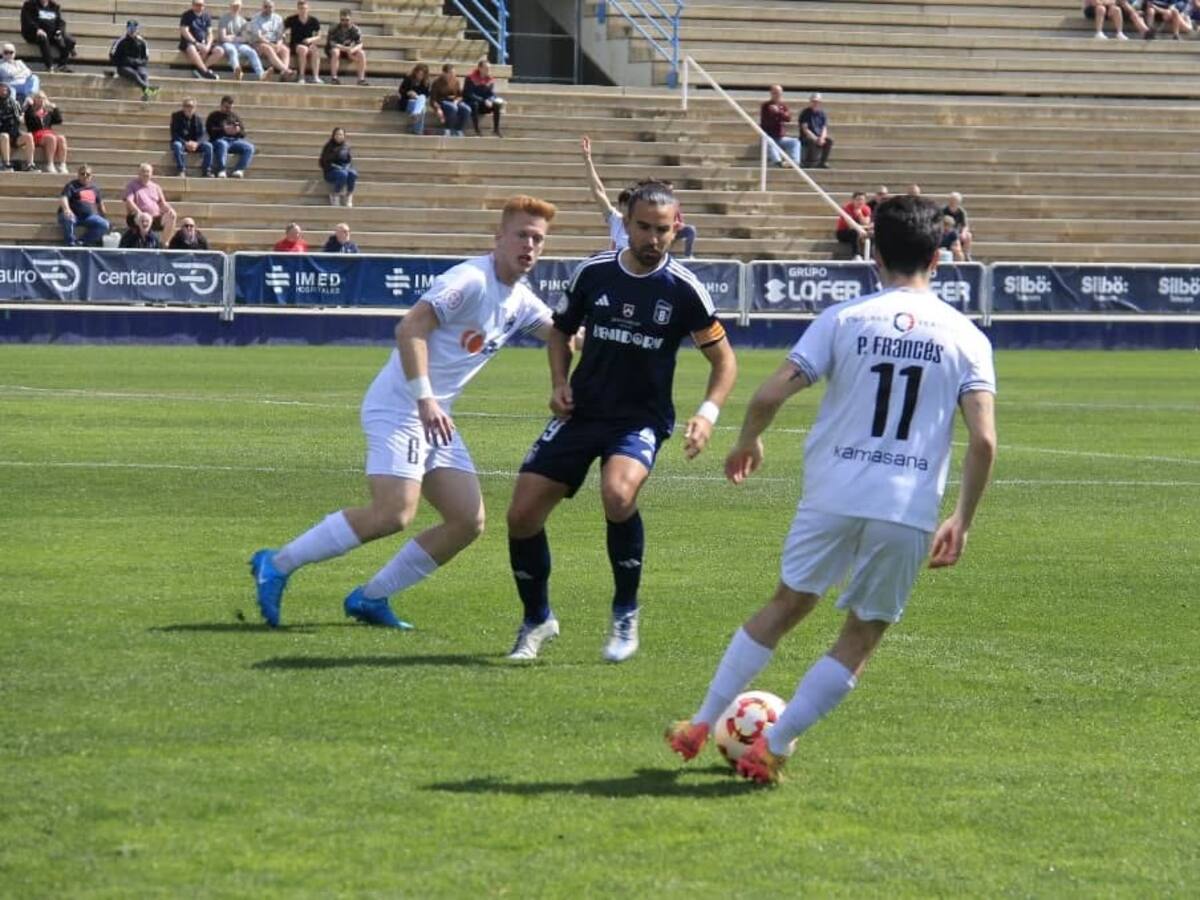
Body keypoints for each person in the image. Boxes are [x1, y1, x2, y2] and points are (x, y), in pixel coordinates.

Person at [664, 195, 997, 784]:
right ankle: (776, 743)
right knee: (862, 634)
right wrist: (962, 519)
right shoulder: (967, 337)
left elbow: (768, 395)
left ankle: (699, 723)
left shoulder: (845, 319)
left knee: (785, 605)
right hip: (906, 504)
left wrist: (747, 441)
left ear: (874, 254)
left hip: (832, 493)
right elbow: (984, 441)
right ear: (939, 259)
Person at [249, 195, 559, 629]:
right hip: (402, 405)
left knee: (467, 521)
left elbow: (566, 336)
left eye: (538, 239)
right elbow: (410, 326)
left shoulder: (520, 299)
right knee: (393, 513)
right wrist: (425, 397)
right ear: (499, 238)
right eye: (522, 235)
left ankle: (371, 598)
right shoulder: (470, 279)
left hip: (434, 415)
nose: (529, 245)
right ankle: (276, 564)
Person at [504, 181, 737, 663]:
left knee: (618, 494)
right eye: (644, 228)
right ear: (626, 222)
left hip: (640, 419)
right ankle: (536, 620)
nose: (653, 239)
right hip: (581, 412)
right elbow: (560, 333)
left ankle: (626, 610)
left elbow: (725, 362)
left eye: (663, 230)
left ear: (678, 226)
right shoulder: (594, 273)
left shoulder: (684, 289)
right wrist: (558, 382)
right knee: (522, 515)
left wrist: (707, 414)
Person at [123, 162, 178, 244]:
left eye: (148, 171)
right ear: (139, 173)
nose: (146, 173)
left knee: (172, 216)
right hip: (138, 216)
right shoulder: (132, 185)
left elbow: (162, 203)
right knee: (144, 217)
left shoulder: (156, 187)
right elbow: (129, 201)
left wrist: (170, 209)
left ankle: (163, 244)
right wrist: (139, 212)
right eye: (143, 171)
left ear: (151, 173)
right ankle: (143, 243)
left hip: (155, 217)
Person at [57, 165, 110, 246]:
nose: (85, 176)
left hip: (88, 217)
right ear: (78, 175)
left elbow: (100, 204)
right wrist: (67, 209)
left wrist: (105, 217)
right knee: (68, 218)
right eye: (82, 174)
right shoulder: (71, 185)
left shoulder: (95, 188)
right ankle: (70, 243)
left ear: (91, 176)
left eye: (87, 174)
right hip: (73, 215)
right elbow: (64, 198)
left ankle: (82, 242)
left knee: (104, 224)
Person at [206, 94, 254, 177]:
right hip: (219, 140)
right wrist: (224, 130)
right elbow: (210, 130)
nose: (228, 109)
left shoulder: (234, 116)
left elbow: (243, 133)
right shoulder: (213, 116)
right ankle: (221, 169)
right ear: (221, 105)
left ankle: (239, 169)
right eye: (226, 107)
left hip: (234, 141)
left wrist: (237, 131)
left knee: (249, 147)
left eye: (230, 107)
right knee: (222, 144)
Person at [20, 0, 75, 73]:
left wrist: (59, 31)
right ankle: (49, 66)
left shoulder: (54, 6)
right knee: (43, 37)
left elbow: (60, 22)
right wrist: (37, 29)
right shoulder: (29, 4)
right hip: (33, 33)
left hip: (51, 34)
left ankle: (62, 65)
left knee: (68, 40)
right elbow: (27, 20)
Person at [111, 21, 159, 101]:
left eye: (134, 29)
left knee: (143, 74)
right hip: (124, 66)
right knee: (134, 74)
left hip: (138, 65)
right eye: (130, 28)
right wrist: (122, 62)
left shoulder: (142, 42)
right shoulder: (120, 41)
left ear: (137, 30)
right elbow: (112, 55)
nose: (132, 31)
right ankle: (148, 89)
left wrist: (138, 62)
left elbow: (145, 58)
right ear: (127, 29)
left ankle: (146, 95)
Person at [217, 0, 265, 81]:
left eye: (237, 6)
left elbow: (245, 38)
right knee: (232, 50)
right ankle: (237, 71)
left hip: (238, 44)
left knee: (251, 51)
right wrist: (236, 38)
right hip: (226, 43)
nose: (236, 8)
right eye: (234, 6)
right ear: (230, 6)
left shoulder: (242, 21)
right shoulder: (224, 19)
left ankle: (261, 74)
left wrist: (232, 37)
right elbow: (223, 37)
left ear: (240, 7)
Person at [179, 0, 224, 80]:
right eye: (197, 4)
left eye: (201, 5)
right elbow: (184, 31)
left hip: (204, 43)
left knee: (220, 51)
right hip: (191, 42)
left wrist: (208, 45)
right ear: (193, 5)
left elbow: (210, 33)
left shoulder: (207, 16)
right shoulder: (186, 15)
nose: (200, 6)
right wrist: (196, 43)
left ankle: (201, 70)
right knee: (191, 48)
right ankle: (205, 72)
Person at [24, 91, 67, 173]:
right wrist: (30, 105)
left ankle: (62, 164)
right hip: (36, 134)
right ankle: (50, 163)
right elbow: (30, 122)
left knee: (61, 138)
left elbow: (59, 120)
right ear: (34, 100)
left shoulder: (48, 113)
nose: (41, 100)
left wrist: (54, 108)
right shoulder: (30, 112)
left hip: (48, 133)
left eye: (43, 98)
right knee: (51, 138)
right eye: (39, 97)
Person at [247, 0, 292, 79]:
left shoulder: (278, 18)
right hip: (259, 44)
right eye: (266, 7)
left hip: (274, 42)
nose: (268, 9)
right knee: (267, 48)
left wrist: (279, 44)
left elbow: (280, 35)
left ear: (274, 8)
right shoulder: (256, 18)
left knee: (285, 50)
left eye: (270, 7)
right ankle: (286, 70)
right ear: (262, 7)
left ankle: (283, 74)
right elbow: (259, 36)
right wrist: (271, 44)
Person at [170, 97, 213, 176]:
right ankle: (181, 170)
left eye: (191, 106)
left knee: (208, 146)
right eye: (187, 106)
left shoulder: (198, 118)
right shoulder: (176, 116)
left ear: (195, 108)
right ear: (183, 107)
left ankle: (206, 170)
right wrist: (186, 143)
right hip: (182, 143)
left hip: (195, 145)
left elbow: (204, 135)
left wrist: (197, 143)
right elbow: (174, 134)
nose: (189, 108)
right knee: (176, 145)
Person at [760, 84, 800, 167]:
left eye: (778, 93)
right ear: (771, 93)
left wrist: (778, 112)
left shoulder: (783, 106)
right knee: (769, 141)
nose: (777, 95)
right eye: (774, 93)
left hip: (780, 137)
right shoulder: (766, 106)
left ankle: (794, 161)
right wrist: (775, 114)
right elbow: (765, 122)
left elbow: (788, 118)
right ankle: (778, 162)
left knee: (795, 142)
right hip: (770, 136)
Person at [463, 56, 503, 137]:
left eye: (489, 68)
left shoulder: (490, 79)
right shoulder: (470, 78)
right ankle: (477, 130)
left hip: (484, 104)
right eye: (486, 68)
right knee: (474, 104)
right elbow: (469, 94)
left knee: (497, 104)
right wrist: (483, 101)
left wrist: (491, 100)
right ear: (480, 68)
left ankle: (496, 129)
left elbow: (491, 94)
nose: (488, 70)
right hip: (472, 103)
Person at [326, 8, 367, 85]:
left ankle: (361, 79)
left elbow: (360, 44)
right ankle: (334, 78)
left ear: (351, 19)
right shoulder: (334, 28)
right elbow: (332, 43)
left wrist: (352, 50)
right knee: (335, 51)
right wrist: (345, 49)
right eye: (342, 20)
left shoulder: (355, 29)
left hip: (350, 51)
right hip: (337, 50)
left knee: (362, 53)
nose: (344, 22)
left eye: (347, 20)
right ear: (340, 19)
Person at [284, 0, 322, 83]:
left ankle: (316, 77)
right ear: (297, 9)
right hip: (296, 44)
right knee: (303, 49)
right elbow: (282, 30)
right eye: (301, 8)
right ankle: (301, 76)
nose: (303, 10)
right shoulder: (291, 19)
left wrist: (311, 39)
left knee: (315, 50)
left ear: (308, 9)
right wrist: (284, 39)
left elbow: (319, 36)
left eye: (305, 8)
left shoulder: (313, 20)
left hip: (309, 43)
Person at [0, 83, 35, 171]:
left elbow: (21, 119)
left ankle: (30, 165)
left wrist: (23, 115)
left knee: (29, 136)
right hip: (2, 135)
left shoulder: (14, 103)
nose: (3, 92)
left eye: (4, 90)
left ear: (8, 91)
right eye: (1, 90)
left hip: (14, 134)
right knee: (5, 136)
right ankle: (6, 164)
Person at [319, 126, 356, 207]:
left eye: (341, 134)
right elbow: (323, 162)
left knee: (353, 173)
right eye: (337, 134)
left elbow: (350, 160)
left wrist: (347, 166)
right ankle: (335, 195)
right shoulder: (328, 147)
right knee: (343, 174)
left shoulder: (346, 146)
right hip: (330, 171)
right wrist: (336, 167)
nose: (339, 136)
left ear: (344, 136)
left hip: (343, 168)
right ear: (333, 135)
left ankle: (349, 195)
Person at [430, 63, 470, 137]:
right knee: (453, 108)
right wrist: (438, 109)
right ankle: (448, 129)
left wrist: (456, 101)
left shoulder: (456, 81)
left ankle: (458, 129)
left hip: (454, 101)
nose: (452, 75)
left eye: (453, 73)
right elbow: (433, 99)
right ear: (444, 73)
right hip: (442, 101)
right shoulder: (437, 82)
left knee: (467, 109)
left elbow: (460, 95)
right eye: (450, 73)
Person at [799, 92, 833, 169]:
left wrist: (822, 138)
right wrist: (816, 138)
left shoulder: (822, 114)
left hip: (818, 136)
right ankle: (810, 162)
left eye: (817, 102)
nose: (815, 103)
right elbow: (805, 129)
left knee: (829, 141)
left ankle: (822, 162)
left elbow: (824, 128)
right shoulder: (805, 113)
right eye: (813, 101)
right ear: (810, 102)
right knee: (811, 140)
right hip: (807, 137)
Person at [834, 190, 872, 260]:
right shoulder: (847, 209)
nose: (860, 202)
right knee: (854, 232)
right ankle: (856, 255)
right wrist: (862, 230)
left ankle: (871, 256)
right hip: (843, 232)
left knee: (872, 234)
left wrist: (860, 214)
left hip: (860, 231)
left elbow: (866, 223)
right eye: (858, 200)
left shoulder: (866, 208)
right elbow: (850, 226)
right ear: (853, 200)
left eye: (862, 200)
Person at [399, 62, 431, 134]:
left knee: (422, 100)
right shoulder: (408, 79)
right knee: (422, 106)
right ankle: (418, 131)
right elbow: (401, 90)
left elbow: (427, 95)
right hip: (408, 102)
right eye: (418, 74)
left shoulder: (426, 82)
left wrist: (418, 96)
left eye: (422, 75)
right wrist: (408, 93)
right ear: (415, 72)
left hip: (419, 102)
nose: (419, 76)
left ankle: (415, 115)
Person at [942, 191, 972, 260]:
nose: (952, 203)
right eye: (951, 200)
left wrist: (963, 233)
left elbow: (965, 225)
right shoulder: (943, 211)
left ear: (958, 202)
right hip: (946, 232)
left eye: (955, 201)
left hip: (956, 232)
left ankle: (966, 256)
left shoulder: (961, 212)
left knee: (968, 236)